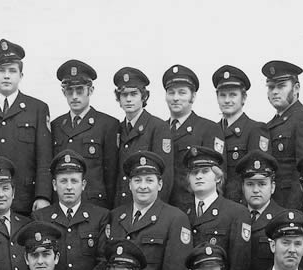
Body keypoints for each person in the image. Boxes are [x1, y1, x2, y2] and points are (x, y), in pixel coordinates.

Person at [0, 38, 52, 215]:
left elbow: (44, 158)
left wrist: (43, 196)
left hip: (26, 200)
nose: (6, 76)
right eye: (1, 70)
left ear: (21, 76)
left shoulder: (37, 109)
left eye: (12, 71)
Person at [94, 151, 192, 270]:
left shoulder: (175, 219)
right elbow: (104, 261)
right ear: (130, 184)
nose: (143, 186)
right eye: (137, 180)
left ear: (160, 184)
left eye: (149, 180)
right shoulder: (115, 216)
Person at [32, 149, 110, 270]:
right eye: (63, 181)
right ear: (54, 185)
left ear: (83, 184)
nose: (69, 187)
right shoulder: (41, 217)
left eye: (74, 181)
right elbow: (38, 261)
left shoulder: (100, 216)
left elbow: (104, 260)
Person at [51, 60, 119, 208]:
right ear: (63, 92)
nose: (75, 96)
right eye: (70, 91)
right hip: (62, 205)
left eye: (80, 91)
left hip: (95, 205)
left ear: (91, 90)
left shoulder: (108, 125)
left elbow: (112, 175)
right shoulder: (56, 125)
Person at [184, 145, 252, 270]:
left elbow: (239, 266)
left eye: (205, 171)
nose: (199, 176)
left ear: (218, 177)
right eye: (194, 172)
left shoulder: (236, 213)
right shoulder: (182, 213)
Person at [261, 61, 303, 209]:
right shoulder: (269, 126)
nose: (275, 91)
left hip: (291, 206)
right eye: (271, 87)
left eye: (281, 86)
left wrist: (292, 212)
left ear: (296, 88)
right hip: (271, 205)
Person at [164, 64, 221, 213]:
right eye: (171, 92)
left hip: (193, 209)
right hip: (162, 209)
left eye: (182, 93)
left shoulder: (208, 128)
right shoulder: (159, 129)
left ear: (193, 96)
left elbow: (218, 177)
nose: (175, 98)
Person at [112, 67, 173, 207]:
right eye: (124, 95)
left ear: (144, 96)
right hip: (122, 207)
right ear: (119, 98)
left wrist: (156, 212)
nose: (128, 99)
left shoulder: (158, 127)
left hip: (148, 207)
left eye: (134, 94)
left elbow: (165, 176)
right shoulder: (118, 129)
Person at [211, 65, 269, 205]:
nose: (227, 100)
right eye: (222, 95)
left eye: (233, 95)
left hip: (242, 205)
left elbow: (257, 176)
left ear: (243, 98)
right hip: (215, 205)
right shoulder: (212, 131)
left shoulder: (255, 129)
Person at [236, 150, 288, 270]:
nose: (255, 190)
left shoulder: (282, 219)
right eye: (250, 184)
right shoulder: (234, 215)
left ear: (272, 187)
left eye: (262, 184)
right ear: (242, 187)